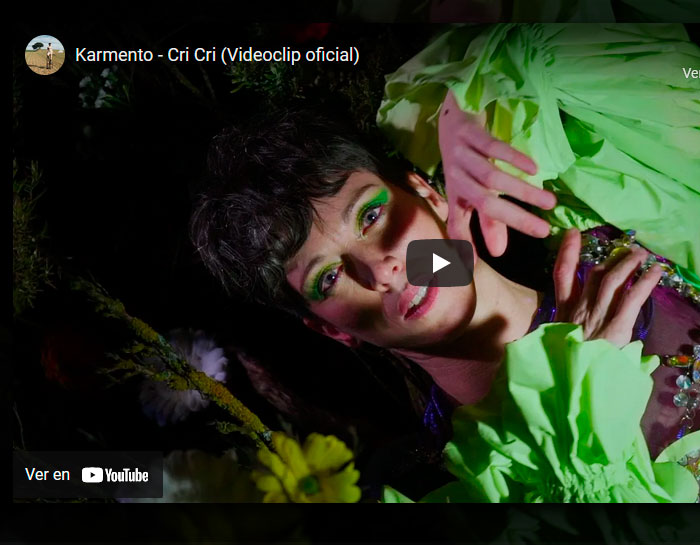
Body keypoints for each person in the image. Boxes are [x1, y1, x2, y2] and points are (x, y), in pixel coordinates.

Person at [191, 24, 700, 502]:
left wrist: (473, 98)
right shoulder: (451, 485)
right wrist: (576, 407)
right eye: (329, 277)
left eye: (371, 215)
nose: (382, 270)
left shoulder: (608, 225)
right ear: (332, 331)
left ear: (429, 194)